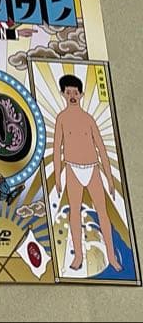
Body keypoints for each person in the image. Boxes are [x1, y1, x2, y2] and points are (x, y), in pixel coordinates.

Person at [53, 73, 121, 272]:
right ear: (63, 94)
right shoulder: (61, 118)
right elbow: (57, 148)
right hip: (72, 168)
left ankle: (111, 257)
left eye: (75, 92)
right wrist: (57, 177)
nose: (72, 96)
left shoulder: (89, 119)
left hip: (92, 167)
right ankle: (78, 257)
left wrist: (109, 178)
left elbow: (101, 148)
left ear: (81, 95)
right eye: (68, 92)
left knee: (102, 212)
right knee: (75, 213)